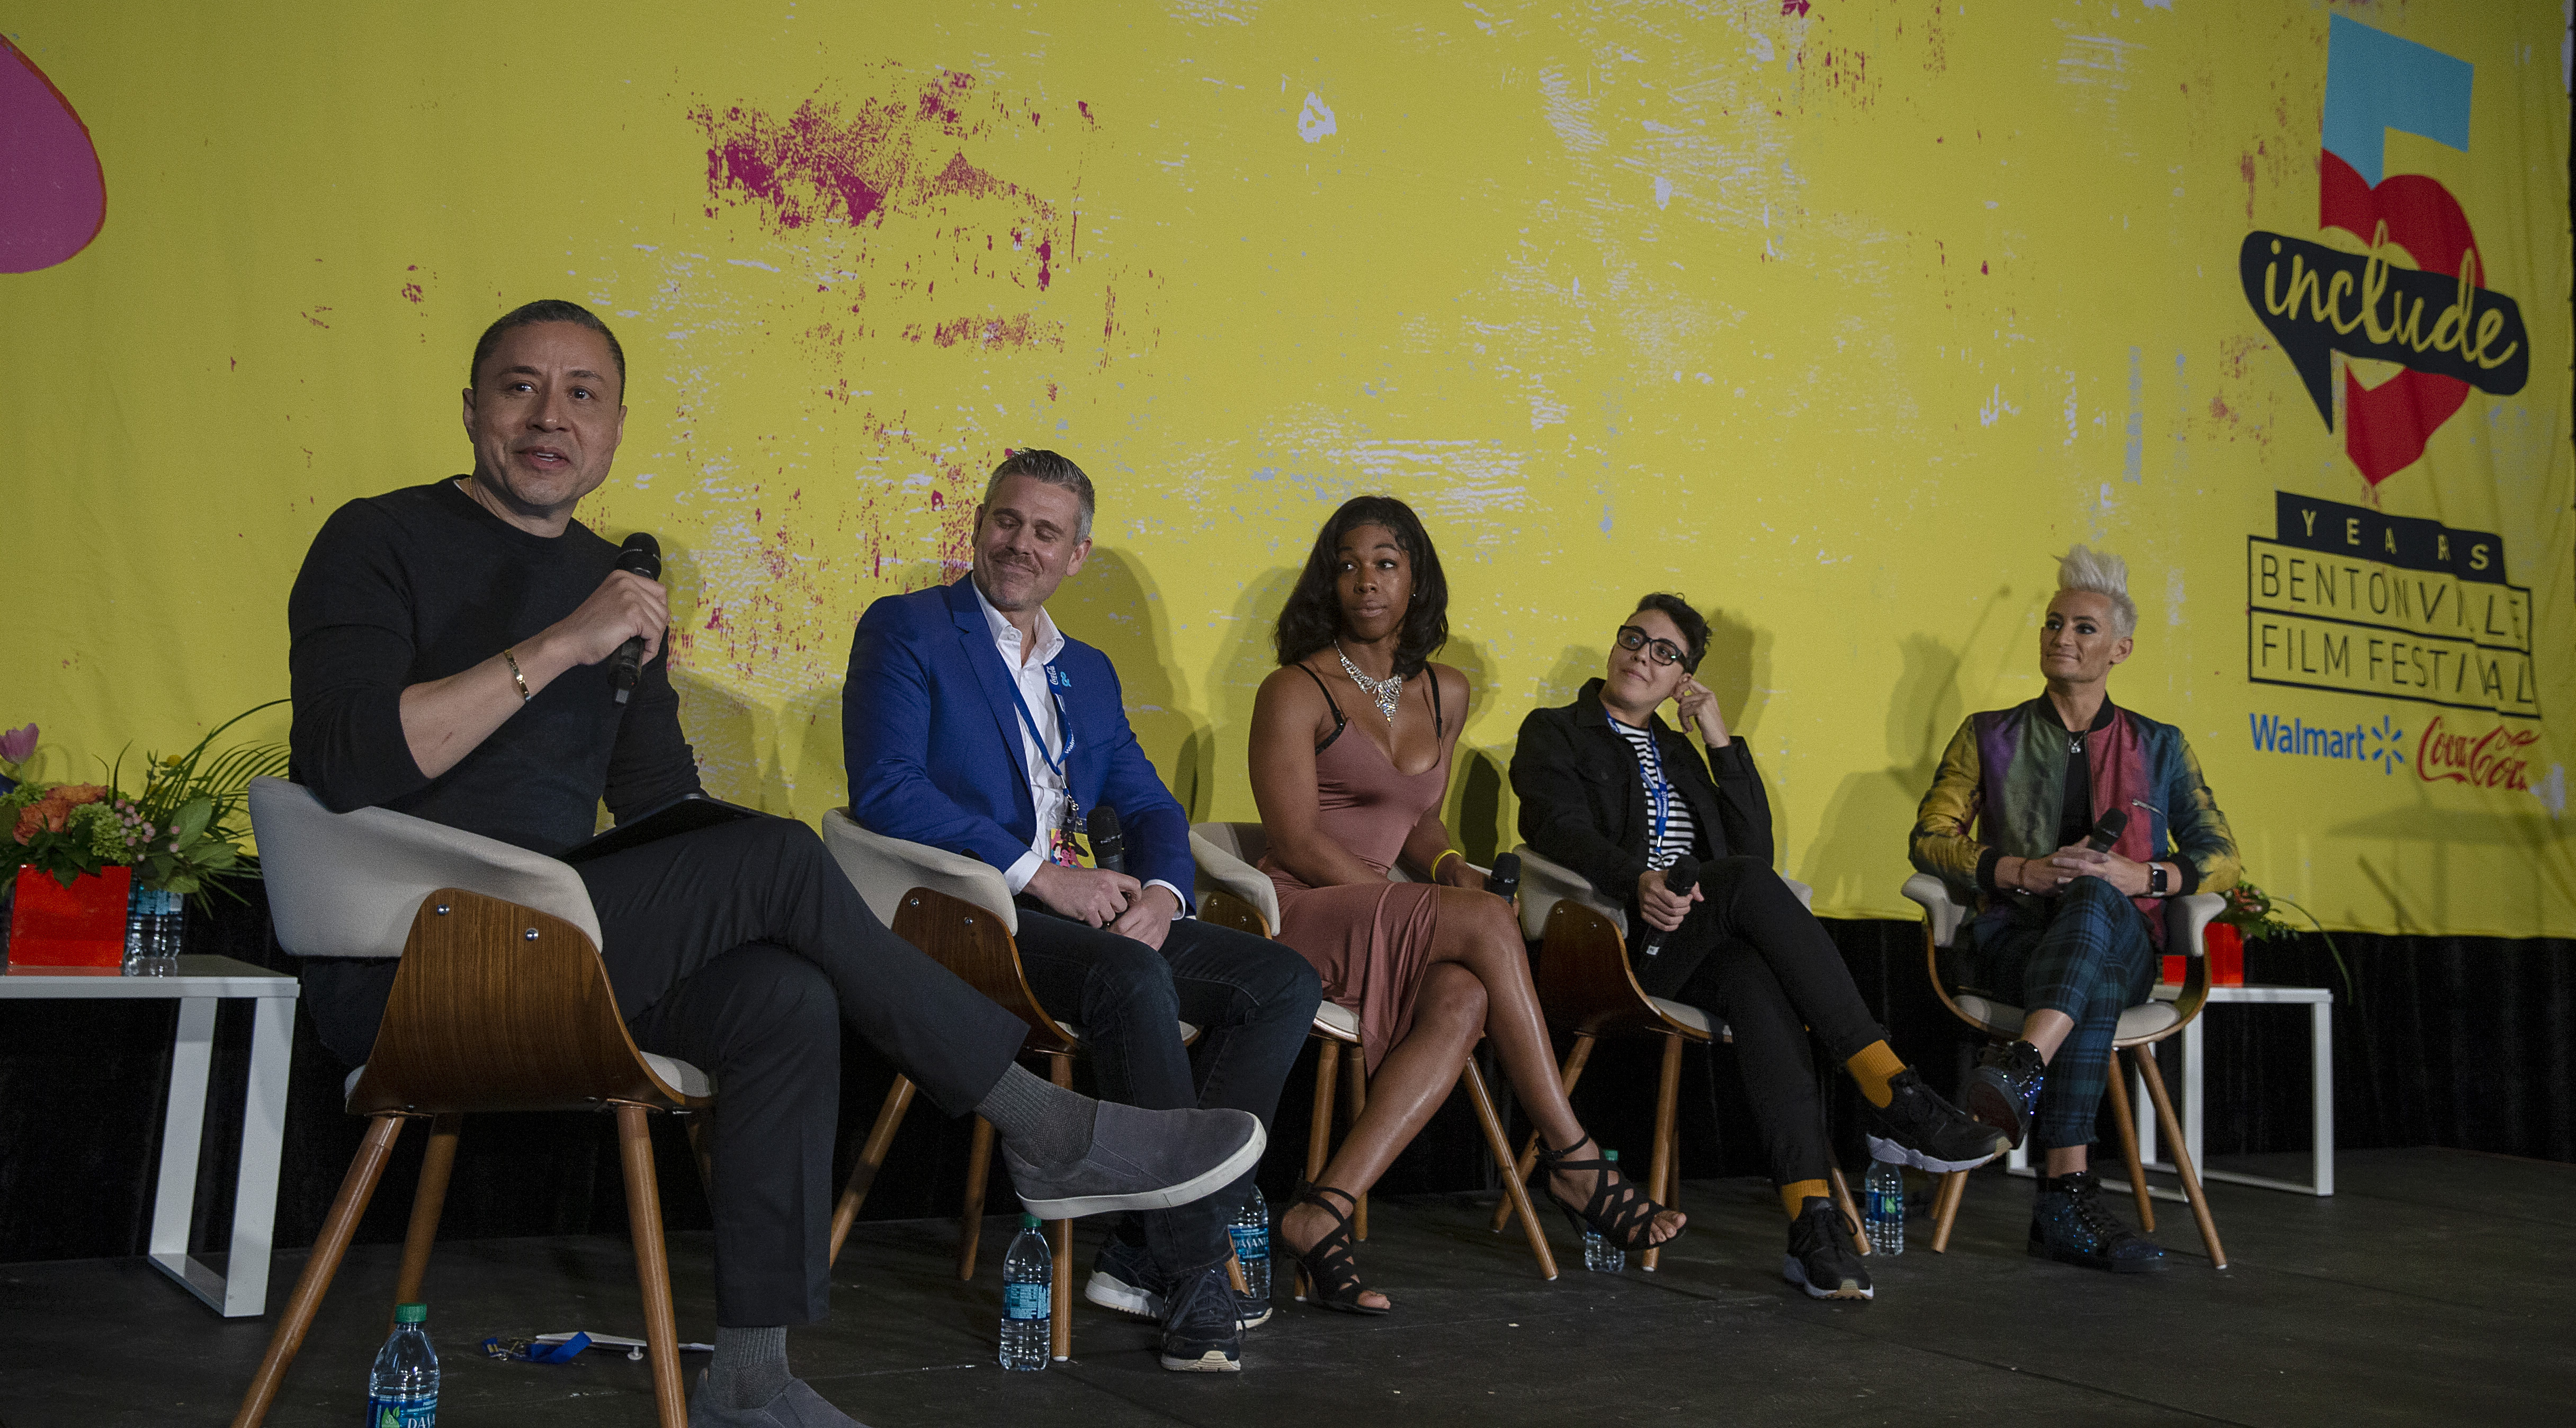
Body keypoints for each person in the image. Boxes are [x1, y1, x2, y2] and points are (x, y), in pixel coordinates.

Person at [287, 302, 1264, 1428]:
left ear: (611, 432)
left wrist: (763, 884)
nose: (550, 416)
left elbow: (658, 804)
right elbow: (348, 757)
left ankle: (751, 1375)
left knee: (784, 995)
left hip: (563, 940)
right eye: (519, 386)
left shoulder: (613, 580)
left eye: (583, 394)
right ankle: (1041, 1125)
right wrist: (561, 642)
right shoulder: (377, 539)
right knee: (779, 861)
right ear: (470, 409)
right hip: (411, 956)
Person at [842, 449, 1321, 1374]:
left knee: (1280, 979)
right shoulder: (908, 631)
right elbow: (887, 788)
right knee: (1133, 977)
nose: (1020, 544)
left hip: (1090, 916)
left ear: (1077, 556)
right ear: (979, 525)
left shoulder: (1087, 672)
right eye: (1006, 522)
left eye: (1045, 532)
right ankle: (1191, 1273)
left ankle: (1143, 1247)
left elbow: (1144, 805)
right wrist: (1038, 875)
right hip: (971, 913)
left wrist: (1163, 891)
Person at [1246, 497, 1684, 1314]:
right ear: (1327, 582)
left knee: (1466, 992)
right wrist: (1417, 905)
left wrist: (1449, 867)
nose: (1365, 581)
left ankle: (1320, 1211)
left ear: (1416, 579)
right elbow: (1297, 837)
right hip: (1308, 911)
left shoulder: (1446, 690)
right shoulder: (1294, 690)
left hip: (1389, 905)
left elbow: (1413, 817)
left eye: (1385, 563)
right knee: (1483, 926)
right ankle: (1575, 1159)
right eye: (1347, 565)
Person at [1511, 595, 2003, 1301]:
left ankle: (1813, 1225)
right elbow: (1555, 826)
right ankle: (1893, 1091)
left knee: (1754, 979)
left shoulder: (1681, 753)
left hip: (1695, 945)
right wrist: (1639, 880)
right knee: (1745, 894)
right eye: (1633, 639)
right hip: (1614, 943)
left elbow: (1754, 855)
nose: (1640, 657)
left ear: (1682, 677)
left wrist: (1717, 738)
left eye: (1663, 653)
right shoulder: (1556, 732)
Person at [1910, 545, 2243, 1273]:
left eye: (2085, 628)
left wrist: (2143, 876)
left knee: (2096, 892)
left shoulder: (2160, 746)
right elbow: (1929, 841)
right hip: (2013, 939)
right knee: (2082, 969)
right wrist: (2018, 868)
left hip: (2125, 942)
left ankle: (2025, 1063)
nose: (2064, 636)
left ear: (2121, 649)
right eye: (2055, 623)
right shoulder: (1986, 734)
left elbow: (2222, 854)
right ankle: (2064, 1194)